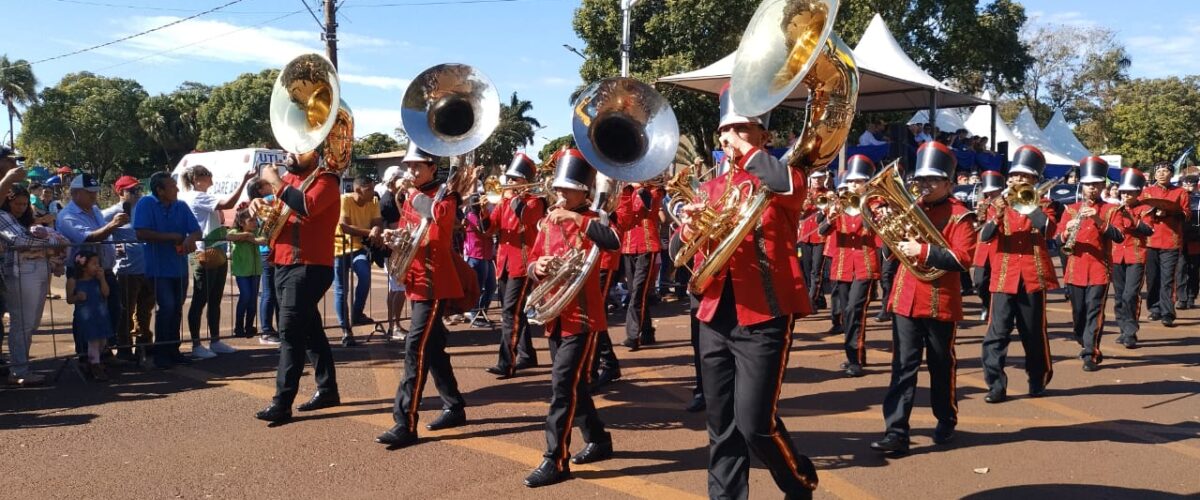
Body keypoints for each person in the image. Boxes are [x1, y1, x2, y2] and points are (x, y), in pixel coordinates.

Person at [676, 84, 818, 499]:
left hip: (765, 315)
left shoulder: (783, 176)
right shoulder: (709, 190)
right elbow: (680, 251)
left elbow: (784, 184)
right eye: (725, 131)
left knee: (755, 422)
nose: (728, 138)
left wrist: (745, 148)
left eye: (740, 128)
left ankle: (800, 482)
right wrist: (688, 225)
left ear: (764, 136)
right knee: (721, 425)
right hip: (714, 315)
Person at [869, 140, 978, 455]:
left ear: (948, 182)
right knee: (903, 366)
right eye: (920, 180)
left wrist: (924, 250)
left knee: (941, 366)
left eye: (932, 180)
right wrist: (886, 226)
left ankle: (945, 418)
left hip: (940, 300)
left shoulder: (961, 216)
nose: (924, 186)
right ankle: (896, 431)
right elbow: (889, 252)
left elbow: (962, 259)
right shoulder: (909, 208)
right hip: (905, 298)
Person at [521, 149, 620, 488]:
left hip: (584, 317)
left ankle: (555, 459)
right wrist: (539, 268)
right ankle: (600, 439)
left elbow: (614, 243)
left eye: (567, 190)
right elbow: (531, 261)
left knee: (562, 387)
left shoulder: (595, 218)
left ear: (583, 191)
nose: (559, 195)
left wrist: (580, 220)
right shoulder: (547, 220)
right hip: (555, 314)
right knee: (574, 385)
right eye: (558, 189)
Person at [375, 148, 468, 447]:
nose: (411, 172)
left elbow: (439, 230)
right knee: (434, 348)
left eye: (417, 167)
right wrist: (392, 237)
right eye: (409, 167)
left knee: (415, 348)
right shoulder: (412, 196)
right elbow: (408, 232)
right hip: (416, 279)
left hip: (434, 282)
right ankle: (453, 405)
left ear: (432, 167)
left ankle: (406, 422)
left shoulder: (446, 195)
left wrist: (413, 196)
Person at [249, 149, 343, 424]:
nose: (290, 153)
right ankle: (328, 390)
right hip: (283, 263)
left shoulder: (327, 179)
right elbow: (276, 212)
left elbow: (307, 206)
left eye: (299, 148)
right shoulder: (288, 177)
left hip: (310, 266)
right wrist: (258, 205)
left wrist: (275, 182)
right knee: (310, 330)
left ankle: (282, 402)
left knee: (290, 331)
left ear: (314, 155)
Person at [978, 145, 1059, 404]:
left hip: (1032, 277)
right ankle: (995, 384)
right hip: (1003, 277)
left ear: (1035, 181)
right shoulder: (996, 204)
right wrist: (998, 213)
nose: (1017, 180)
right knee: (996, 334)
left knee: (1033, 333)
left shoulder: (1045, 204)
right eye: (1014, 176)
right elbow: (984, 237)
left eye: (1025, 177)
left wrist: (1028, 206)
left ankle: (1038, 378)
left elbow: (1048, 230)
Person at [178, 165, 255, 359]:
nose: (211, 177)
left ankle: (214, 340)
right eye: (206, 174)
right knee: (202, 298)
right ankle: (197, 344)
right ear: (196, 178)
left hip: (215, 249)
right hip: (205, 252)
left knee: (213, 299)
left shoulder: (196, 196)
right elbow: (228, 203)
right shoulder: (197, 196)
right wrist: (244, 181)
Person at [1057, 157, 1124, 372]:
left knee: (1095, 312)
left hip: (1099, 269)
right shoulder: (1070, 209)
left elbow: (1119, 235)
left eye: (1095, 184)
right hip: (1075, 269)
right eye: (1087, 184)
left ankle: (1090, 353)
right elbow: (1057, 240)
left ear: (1103, 186)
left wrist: (1098, 220)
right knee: (1079, 315)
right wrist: (1067, 230)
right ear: (1081, 186)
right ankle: (1084, 339)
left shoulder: (1112, 210)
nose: (1091, 188)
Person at [484, 153, 545, 378]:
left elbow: (527, 218)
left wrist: (514, 197)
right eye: (508, 178)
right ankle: (527, 354)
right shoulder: (504, 202)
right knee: (514, 312)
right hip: (504, 263)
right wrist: (479, 209)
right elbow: (490, 229)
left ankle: (506, 362)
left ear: (525, 181)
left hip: (523, 264)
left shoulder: (535, 201)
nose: (508, 182)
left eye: (514, 179)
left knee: (510, 312)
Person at [818, 155, 878, 378]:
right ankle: (854, 356)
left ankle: (855, 358)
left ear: (866, 184)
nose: (853, 185)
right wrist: (830, 217)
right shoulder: (838, 206)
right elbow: (822, 232)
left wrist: (864, 206)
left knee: (855, 310)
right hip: (842, 265)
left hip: (865, 265)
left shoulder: (876, 205)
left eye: (858, 182)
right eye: (850, 182)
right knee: (846, 312)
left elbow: (875, 230)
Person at [57, 173, 127, 363]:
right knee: (85, 315)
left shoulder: (94, 210)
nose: (94, 196)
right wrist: (112, 225)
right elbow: (89, 238)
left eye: (95, 192)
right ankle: (85, 356)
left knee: (113, 309)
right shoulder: (67, 216)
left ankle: (103, 352)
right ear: (76, 193)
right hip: (81, 274)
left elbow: (102, 234)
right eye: (90, 193)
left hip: (103, 269)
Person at [133, 172, 201, 369]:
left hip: (179, 267)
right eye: (172, 186)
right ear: (160, 190)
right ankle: (162, 351)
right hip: (158, 268)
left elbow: (196, 230)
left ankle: (173, 350)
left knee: (176, 308)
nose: (177, 189)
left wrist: (191, 238)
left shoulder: (181, 206)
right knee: (168, 307)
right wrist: (171, 236)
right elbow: (140, 232)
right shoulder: (146, 203)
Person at [1, 174, 54, 386]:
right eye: (17, 203)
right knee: (22, 322)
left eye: (24, 204)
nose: (22, 207)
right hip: (19, 271)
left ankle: (21, 367)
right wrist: (49, 243)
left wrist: (48, 243)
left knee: (31, 323)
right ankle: (18, 370)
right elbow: (19, 240)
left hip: (38, 268)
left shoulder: (25, 220)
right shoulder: (3, 216)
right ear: (8, 200)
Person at [331, 175, 383, 346]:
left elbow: (377, 222)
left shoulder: (374, 201)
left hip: (358, 248)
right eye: (370, 188)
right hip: (339, 248)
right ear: (359, 189)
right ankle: (345, 329)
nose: (373, 191)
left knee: (365, 276)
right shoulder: (344, 200)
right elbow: (344, 226)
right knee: (341, 290)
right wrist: (369, 232)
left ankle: (356, 313)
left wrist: (376, 228)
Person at [102, 175, 150, 361]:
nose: (137, 193)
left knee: (145, 310)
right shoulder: (112, 212)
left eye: (138, 189)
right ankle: (124, 349)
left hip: (147, 268)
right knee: (125, 313)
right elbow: (97, 228)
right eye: (132, 190)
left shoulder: (144, 208)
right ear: (121, 192)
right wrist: (113, 227)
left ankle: (143, 346)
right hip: (126, 270)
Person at [616, 178, 665, 350]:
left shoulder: (654, 191)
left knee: (638, 292)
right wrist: (626, 192)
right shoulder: (626, 192)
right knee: (636, 292)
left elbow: (649, 206)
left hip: (647, 245)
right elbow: (625, 218)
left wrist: (637, 188)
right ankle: (647, 332)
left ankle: (632, 336)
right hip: (628, 247)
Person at [1110, 168, 1154, 349]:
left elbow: (1148, 230)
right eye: (1124, 192)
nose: (1126, 195)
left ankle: (1130, 331)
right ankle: (1123, 328)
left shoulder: (1145, 209)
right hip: (1116, 255)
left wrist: (1132, 219)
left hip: (1136, 255)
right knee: (1119, 296)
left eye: (1130, 192)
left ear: (1138, 192)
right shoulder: (1113, 209)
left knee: (1130, 295)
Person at [1143, 162, 1190, 327]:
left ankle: (1167, 312)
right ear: (1154, 175)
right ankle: (1154, 308)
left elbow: (1186, 214)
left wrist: (1169, 212)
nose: (1161, 174)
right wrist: (1154, 213)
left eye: (1165, 171)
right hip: (1150, 241)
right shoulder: (1147, 192)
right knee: (1152, 277)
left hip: (1171, 240)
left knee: (1168, 279)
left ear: (1171, 174)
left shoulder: (1180, 192)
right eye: (1159, 171)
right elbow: (1141, 214)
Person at [67, 250, 114, 381]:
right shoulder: (73, 281)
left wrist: (102, 279)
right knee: (93, 341)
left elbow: (106, 293)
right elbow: (69, 299)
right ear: (83, 266)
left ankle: (92, 361)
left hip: (100, 315)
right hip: (86, 317)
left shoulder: (97, 280)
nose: (97, 266)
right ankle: (95, 365)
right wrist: (77, 296)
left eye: (98, 263)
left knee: (103, 341)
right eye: (94, 264)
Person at [972, 171, 1005, 322]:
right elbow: (979, 226)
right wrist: (979, 216)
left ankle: (996, 311)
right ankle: (986, 304)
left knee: (998, 283)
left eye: (994, 191)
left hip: (1000, 247)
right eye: (988, 192)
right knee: (980, 282)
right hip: (984, 249)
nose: (990, 194)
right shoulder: (984, 205)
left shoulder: (1007, 204)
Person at [229, 209, 265, 338]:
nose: (254, 223)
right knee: (245, 296)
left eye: (255, 220)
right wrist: (246, 235)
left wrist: (252, 239)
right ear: (241, 222)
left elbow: (263, 240)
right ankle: (238, 327)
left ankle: (249, 326)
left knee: (252, 299)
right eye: (251, 220)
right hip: (242, 271)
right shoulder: (236, 231)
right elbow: (229, 237)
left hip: (255, 270)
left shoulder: (256, 232)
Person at [462, 189, 496, 328]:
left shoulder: (483, 214)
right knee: (478, 288)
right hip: (476, 255)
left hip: (486, 255)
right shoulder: (471, 216)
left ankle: (481, 314)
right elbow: (484, 232)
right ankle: (475, 315)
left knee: (491, 287)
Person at [1179, 172, 1200, 310]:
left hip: (1196, 238)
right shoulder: (1178, 198)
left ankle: (1191, 295)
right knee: (1180, 268)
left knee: (1193, 268)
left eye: (1191, 184)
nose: (1188, 186)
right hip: (1180, 238)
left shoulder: (1198, 199)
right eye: (1186, 183)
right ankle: (1181, 298)